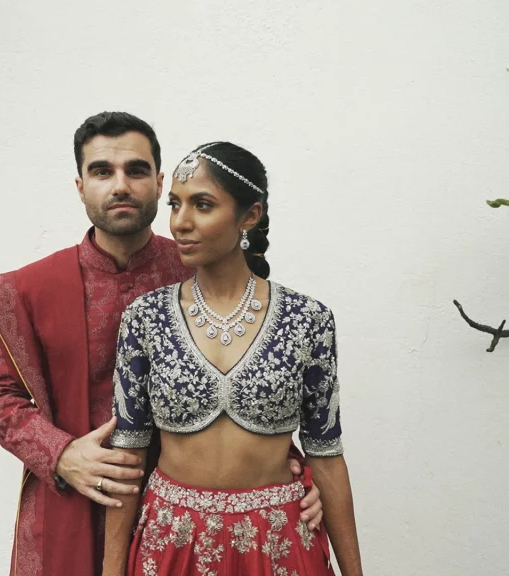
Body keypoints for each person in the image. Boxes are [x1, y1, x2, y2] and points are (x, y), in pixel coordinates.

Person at [0, 113, 325, 576]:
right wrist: (63, 454)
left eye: (136, 170)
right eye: (102, 171)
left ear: (160, 183)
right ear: (80, 186)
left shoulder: (200, 265)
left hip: (187, 513)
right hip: (73, 501)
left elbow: (262, 376)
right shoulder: (34, 289)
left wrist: (288, 467)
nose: (120, 185)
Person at [104, 142, 364, 576]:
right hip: (172, 545)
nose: (181, 223)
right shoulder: (145, 319)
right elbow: (127, 457)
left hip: (279, 544)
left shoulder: (308, 320)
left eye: (202, 205)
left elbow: (326, 455)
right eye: (175, 205)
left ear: (250, 215)